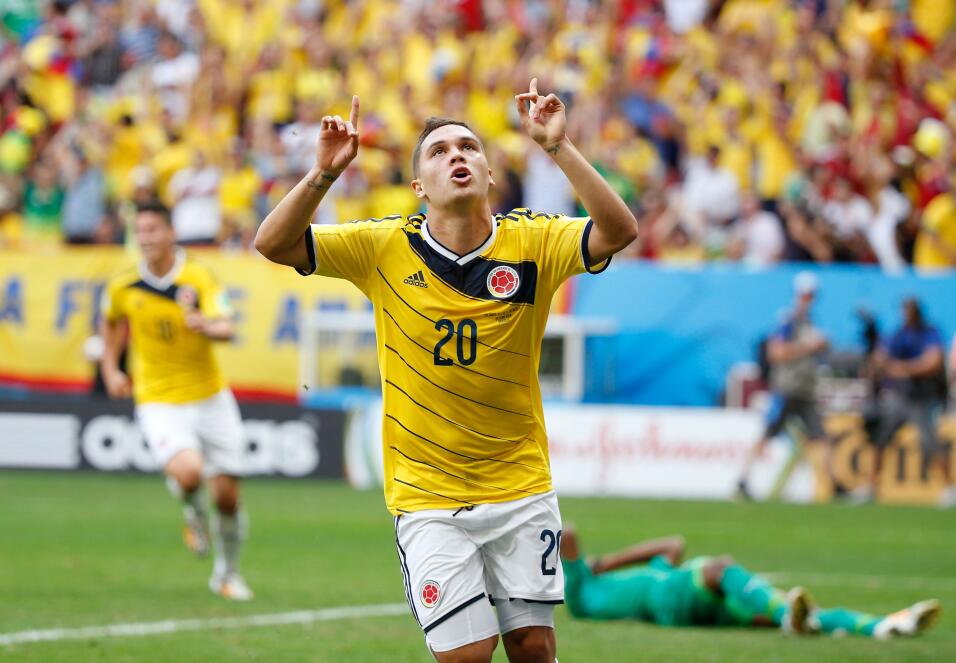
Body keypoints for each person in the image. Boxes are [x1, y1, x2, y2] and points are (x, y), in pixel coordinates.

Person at [255, 79, 639, 663]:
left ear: (488, 174)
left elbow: (619, 231)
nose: (456, 155)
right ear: (418, 187)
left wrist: (558, 147)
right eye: (439, 152)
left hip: (520, 485)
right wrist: (325, 175)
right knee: (467, 655)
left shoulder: (534, 241)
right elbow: (274, 243)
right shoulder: (382, 246)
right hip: (428, 496)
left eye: (468, 148)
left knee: (533, 648)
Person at [100, 201, 252, 600]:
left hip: (210, 396)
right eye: (141, 231)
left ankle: (227, 573)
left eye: (153, 230)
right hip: (157, 397)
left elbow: (227, 325)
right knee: (187, 473)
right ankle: (191, 510)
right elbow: (111, 323)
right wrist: (112, 370)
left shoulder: (198, 277)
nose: (146, 238)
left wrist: (207, 325)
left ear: (170, 233)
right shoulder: (123, 284)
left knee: (228, 497)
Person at [560, 528, 941, 640]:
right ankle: (787, 614)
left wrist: (607, 563)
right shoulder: (578, 593)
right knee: (719, 568)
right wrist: (596, 565)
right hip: (668, 597)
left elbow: (672, 544)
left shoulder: (647, 573)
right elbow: (568, 532)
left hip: (686, 606)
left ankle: (884, 626)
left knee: (786, 616)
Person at [737, 272, 832, 500]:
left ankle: (830, 485)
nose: (809, 299)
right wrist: (810, 347)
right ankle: (743, 478)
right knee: (768, 434)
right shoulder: (788, 321)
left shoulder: (809, 322)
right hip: (787, 389)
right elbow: (776, 353)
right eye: (807, 295)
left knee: (820, 437)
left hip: (806, 390)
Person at [855, 298, 953, 507]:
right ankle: (872, 486)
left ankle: (949, 488)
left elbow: (932, 362)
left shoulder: (929, 333)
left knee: (931, 443)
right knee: (880, 440)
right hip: (899, 398)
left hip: (922, 399)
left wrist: (903, 368)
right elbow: (882, 357)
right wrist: (878, 364)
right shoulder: (899, 333)